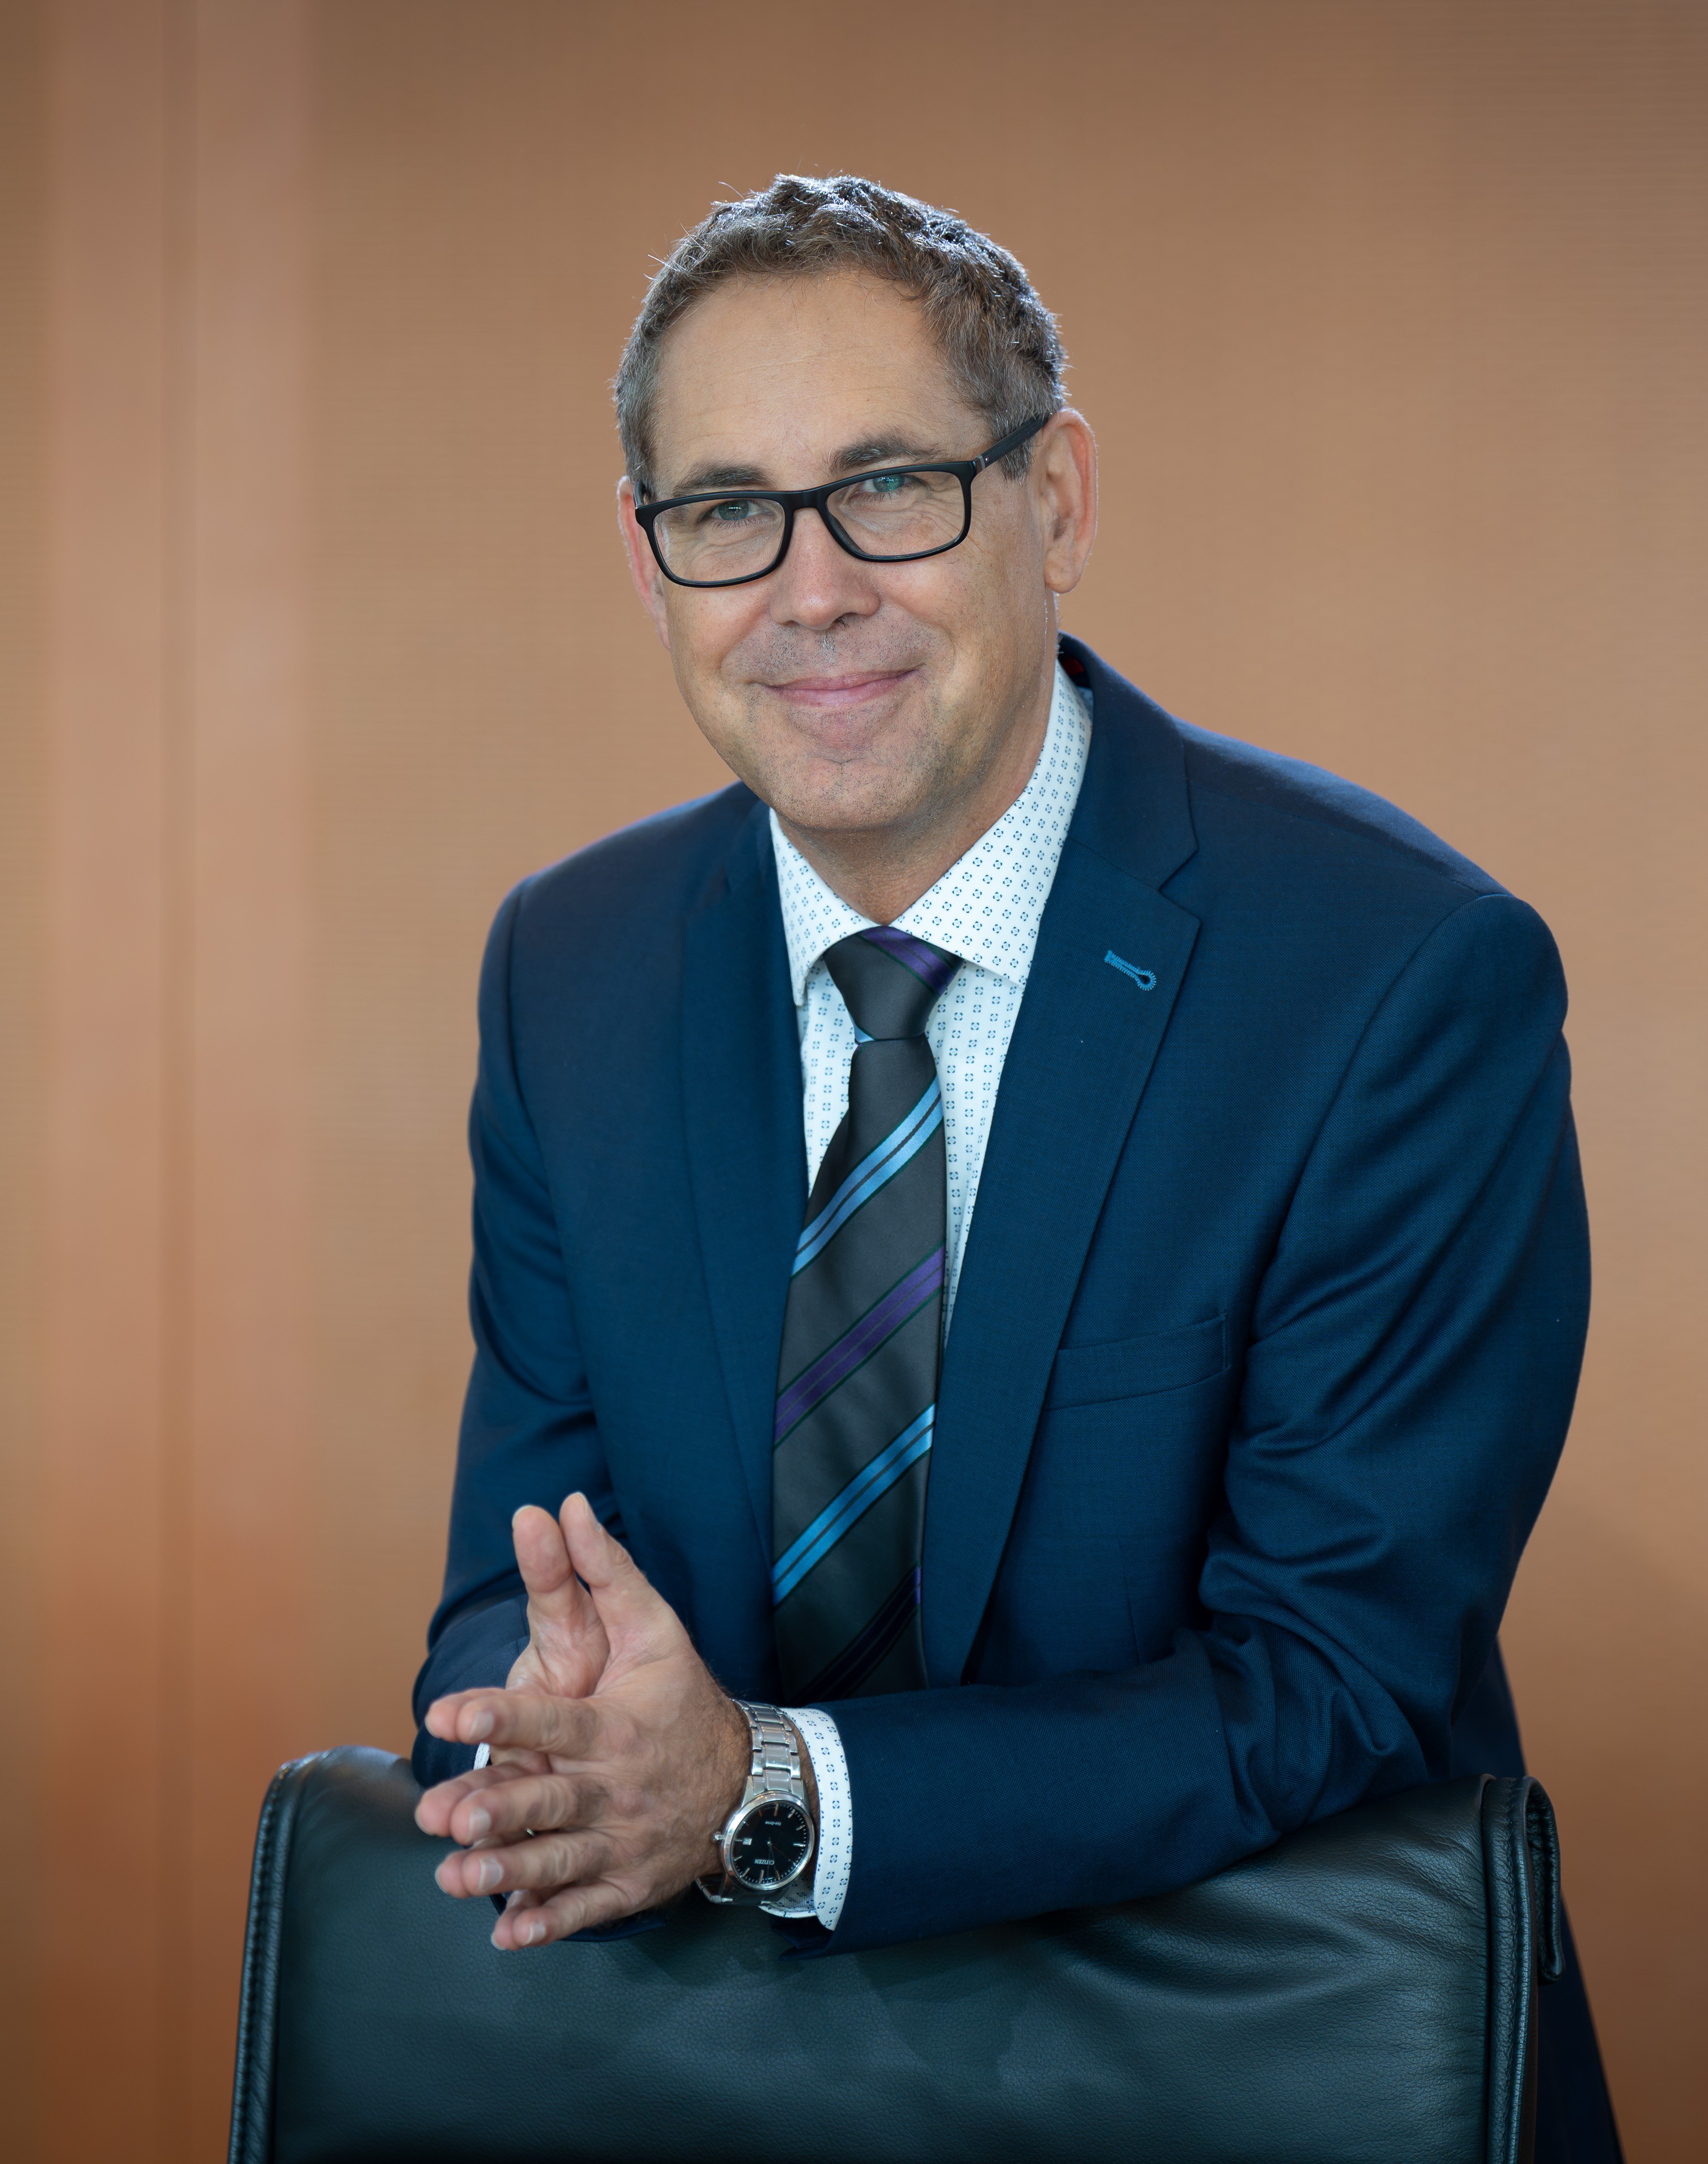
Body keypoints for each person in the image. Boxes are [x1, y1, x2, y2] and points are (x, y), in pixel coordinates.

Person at [405, 174, 1621, 2154]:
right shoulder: (573, 967)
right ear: (648, 560)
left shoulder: (1392, 976)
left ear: (1053, 498)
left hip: (1245, 2086)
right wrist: (552, 1729)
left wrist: (761, 1791)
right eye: (727, 513)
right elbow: (515, 1577)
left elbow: (1338, 1676)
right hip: (714, 2085)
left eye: (889, 488)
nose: (811, 591)